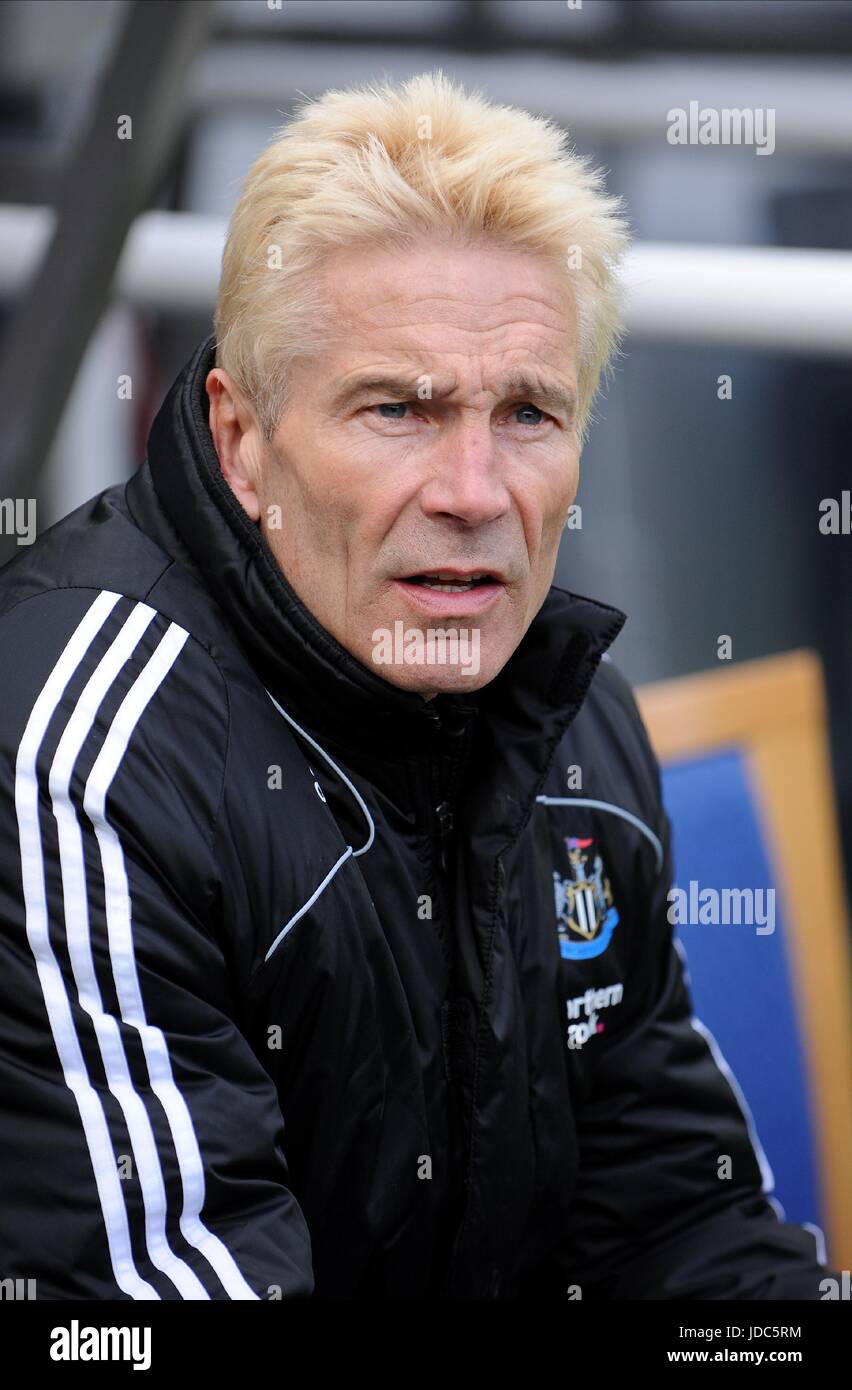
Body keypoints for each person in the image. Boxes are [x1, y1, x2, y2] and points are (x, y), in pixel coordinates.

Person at [0, 71, 835, 1299]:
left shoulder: (569, 712)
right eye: (400, 408)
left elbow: (677, 1228)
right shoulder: (84, 758)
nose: (476, 491)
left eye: (530, 413)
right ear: (243, 441)